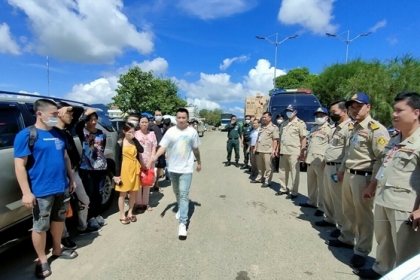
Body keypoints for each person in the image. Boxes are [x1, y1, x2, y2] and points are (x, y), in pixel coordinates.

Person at [354, 91, 420, 279]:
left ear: (416, 113)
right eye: (394, 110)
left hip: (405, 205)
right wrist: (372, 186)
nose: (394, 114)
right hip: (384, 198)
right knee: (384, 241)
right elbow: (384, 164)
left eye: (400, 111)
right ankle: (381, 269)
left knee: (405, 248)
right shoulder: (395, 139)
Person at [14, 99, 77, 279]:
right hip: (41, 191)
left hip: (61, 187)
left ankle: (57, 249)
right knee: (40, 226)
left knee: (59, 221)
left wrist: (71, 179)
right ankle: (42, 259)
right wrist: (26, 192)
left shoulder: (59, 133)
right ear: (39, 114)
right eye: (53, 114)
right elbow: (19, 166)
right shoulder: (26, 135)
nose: (56, 117)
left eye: (57, 113)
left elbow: (65, 157)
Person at [326, 92, 389, 269]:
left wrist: (373, 184)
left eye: (358, 106)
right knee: (348, 210)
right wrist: (340, 171)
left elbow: (382, 159)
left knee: (363, 216)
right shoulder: (354, 128)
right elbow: (348, 153)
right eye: (352, 107)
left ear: (368, 107)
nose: (354, 110)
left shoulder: (376, 129)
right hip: (349, 174)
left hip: (364, 177)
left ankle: (362, 250)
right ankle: (347, 237)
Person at [56, 102, 100, 251]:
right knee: (62, 208)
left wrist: (66, 109)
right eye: (68, 113)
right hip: (60, 174)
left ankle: (82, 226)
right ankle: (64, 236)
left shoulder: (67, 128)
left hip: (73, 171)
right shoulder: (53, 131)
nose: (71, 115)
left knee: (84, 200)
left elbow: (80, 110)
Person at [151, 108, 201, 238]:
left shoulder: (192, 132)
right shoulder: (170, 131)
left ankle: (182, 223)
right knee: (177, 192)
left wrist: (199, 162)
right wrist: (155, 156)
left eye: (184, 117)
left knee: (184, 194)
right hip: (173, 168)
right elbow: (163, 146)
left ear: (187, 118)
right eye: (179, 117)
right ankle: (180, 206)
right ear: (176, 118)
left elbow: (195, 149)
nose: (181, 120)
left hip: (186, 169)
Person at [318, 100, 352, 236]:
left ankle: (343, 228)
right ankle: (330, 218)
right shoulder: (336, 127)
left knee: (339, 200)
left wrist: (341, 170)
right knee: (328, 196)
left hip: (338, 168)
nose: (331, 115)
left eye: (334, 112)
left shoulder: (349, 128)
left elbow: (347, 151)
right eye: (331, 112)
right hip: (329, 165)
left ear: (344, 112)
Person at [75, 109, 108, 228]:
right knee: (90, 192)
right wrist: (86, 113)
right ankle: (90, 217)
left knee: (99, 192)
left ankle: (97, 214)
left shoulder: (101, 133)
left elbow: (102, 149)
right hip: (87, 167)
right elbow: (78, 123)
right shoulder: (82, 132)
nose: (93, 122)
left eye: (95, 119)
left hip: (101, 166)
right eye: (91, 119)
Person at [300, 107, 333, 217]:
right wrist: (305, 156)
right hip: (310, 159)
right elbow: (310, 144)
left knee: (322, 186)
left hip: (321, 161)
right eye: (317, 116)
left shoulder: (330, 129)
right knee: (311, 183)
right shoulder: (314, 128)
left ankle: (322, 206)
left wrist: (326, 160)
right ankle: (311, 201)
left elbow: (331, 147)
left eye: (321, 116)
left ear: (326, 117)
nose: (318, 118)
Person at [113, 122, 143, 224]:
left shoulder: (134, 141)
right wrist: (117, 175)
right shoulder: (120, 142)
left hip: (134, 168)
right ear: (124, 131)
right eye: (129, 132)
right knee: (123, 193)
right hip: (124, 169)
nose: (131, 134)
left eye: (133, 132)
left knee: (133, 192)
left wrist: (134, 139)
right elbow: (117, 159)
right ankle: (122, 215)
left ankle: (130, 212)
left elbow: (141, 150)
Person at [276, 104, 307, 199]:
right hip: (284, 151)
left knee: (294, 173)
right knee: (282, 171)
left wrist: (302, 152)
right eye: (287, 111)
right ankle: (283, 188)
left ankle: (294, 192)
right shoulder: (284, 124)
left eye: (290, 111)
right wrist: (278, 149)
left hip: (294, 151)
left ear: (295, 112)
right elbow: (281, 138)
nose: (288, 113)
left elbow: (303, 138)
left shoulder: (300, 123)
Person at [135, 116, 157, 212]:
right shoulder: (135, 134)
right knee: (139, 184)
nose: (144, 124)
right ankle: (139, 204)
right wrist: (141, 163)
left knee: (147, 183)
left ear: (148, 123)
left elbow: (154, 149)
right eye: (142, 122)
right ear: (139, 123)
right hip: (138, 162)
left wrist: (149, 162)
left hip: (149, 161)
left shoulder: (152, 134)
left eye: (146, 122)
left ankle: (146, 203)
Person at [251, 112, 279, 188]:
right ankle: (259, 178)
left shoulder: (274, 127)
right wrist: (255, 147)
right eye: (263, 117)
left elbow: (275, 140)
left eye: (265, 117)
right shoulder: (262, 127)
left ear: (270, 118)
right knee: (260, 166)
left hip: (268, 150)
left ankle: (267, 181)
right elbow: (258, 138)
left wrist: (274, 150)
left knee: (268, 168)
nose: (263, 119)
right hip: (260, 150)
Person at [149, 109, 167, 192]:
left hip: (161, 151)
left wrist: (166, 151)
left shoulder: (164, 127)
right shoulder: (150, 126)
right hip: (152, 151)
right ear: (154, 115)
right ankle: (148, 186)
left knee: (160, 168)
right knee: (152, 168)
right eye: (157, 114)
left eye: (160, 114)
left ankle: (156, 184)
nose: (158, 116)